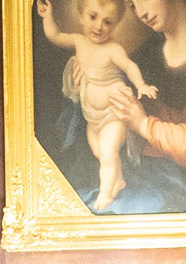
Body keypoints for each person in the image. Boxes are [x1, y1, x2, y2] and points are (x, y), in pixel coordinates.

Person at [72, 0, 186, 213]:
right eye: (133, 5)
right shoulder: (149, 50)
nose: (142, 13)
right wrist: (90, 80)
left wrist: (144, 125)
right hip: (140, 177)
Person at [36, 0, 158, 211]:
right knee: (99, 152)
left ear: (116, 24)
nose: (99, 26)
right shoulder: (79, 41)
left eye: (108, 22)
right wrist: (47, 17)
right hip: (92, 116)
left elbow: (129, 67)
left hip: (113, 113)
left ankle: (104, 194)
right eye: (93, 17)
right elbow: (54, 36)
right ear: (81, 16)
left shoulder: (113, 49)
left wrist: (141, 85)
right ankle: (118, 180)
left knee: (109, 152)